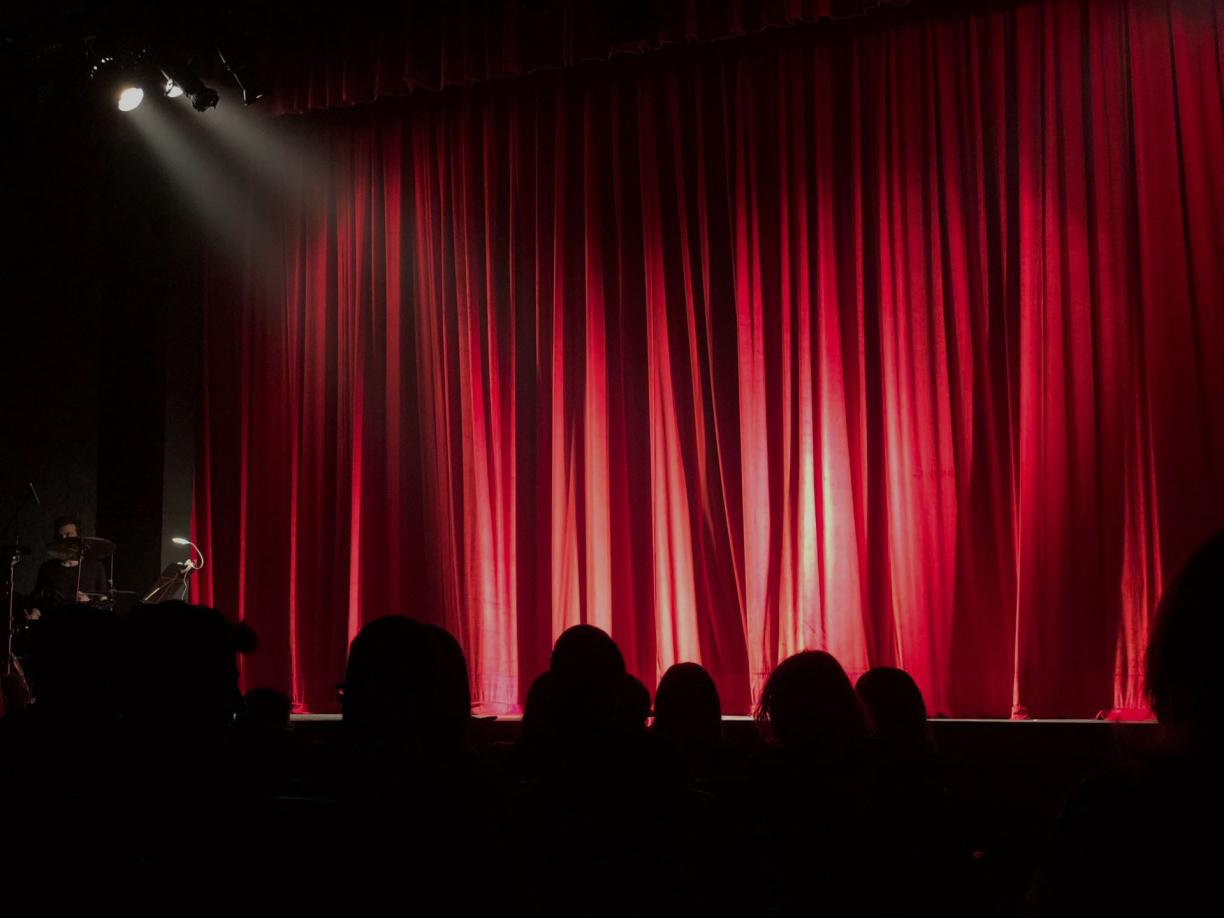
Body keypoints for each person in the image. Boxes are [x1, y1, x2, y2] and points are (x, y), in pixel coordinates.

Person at [29, 516, 107, 614]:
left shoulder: (96, 568)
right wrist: (34, 612)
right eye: (61, 537)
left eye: (68, 535)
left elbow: (104, 601)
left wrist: (89, 603)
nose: (64, 540)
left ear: (79, 537)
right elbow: (36, 600)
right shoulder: (47, 568)